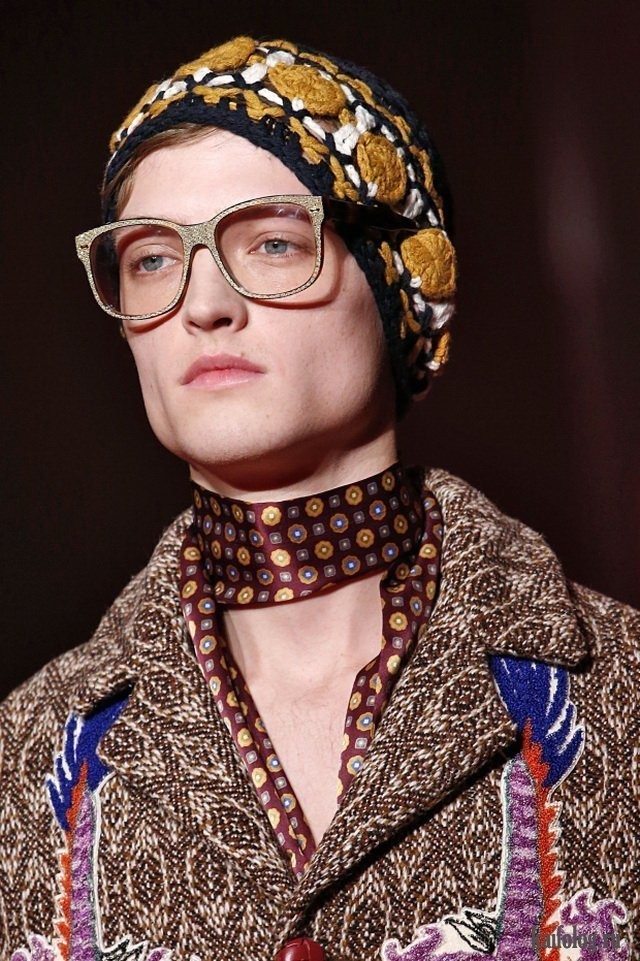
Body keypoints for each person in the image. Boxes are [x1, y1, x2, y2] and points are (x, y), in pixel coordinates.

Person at [1, 35, 638, 961]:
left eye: (271, 243)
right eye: (151, 259)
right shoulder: (26, 760)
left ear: (394, 284)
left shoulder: (621, 691)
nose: (203, 305)